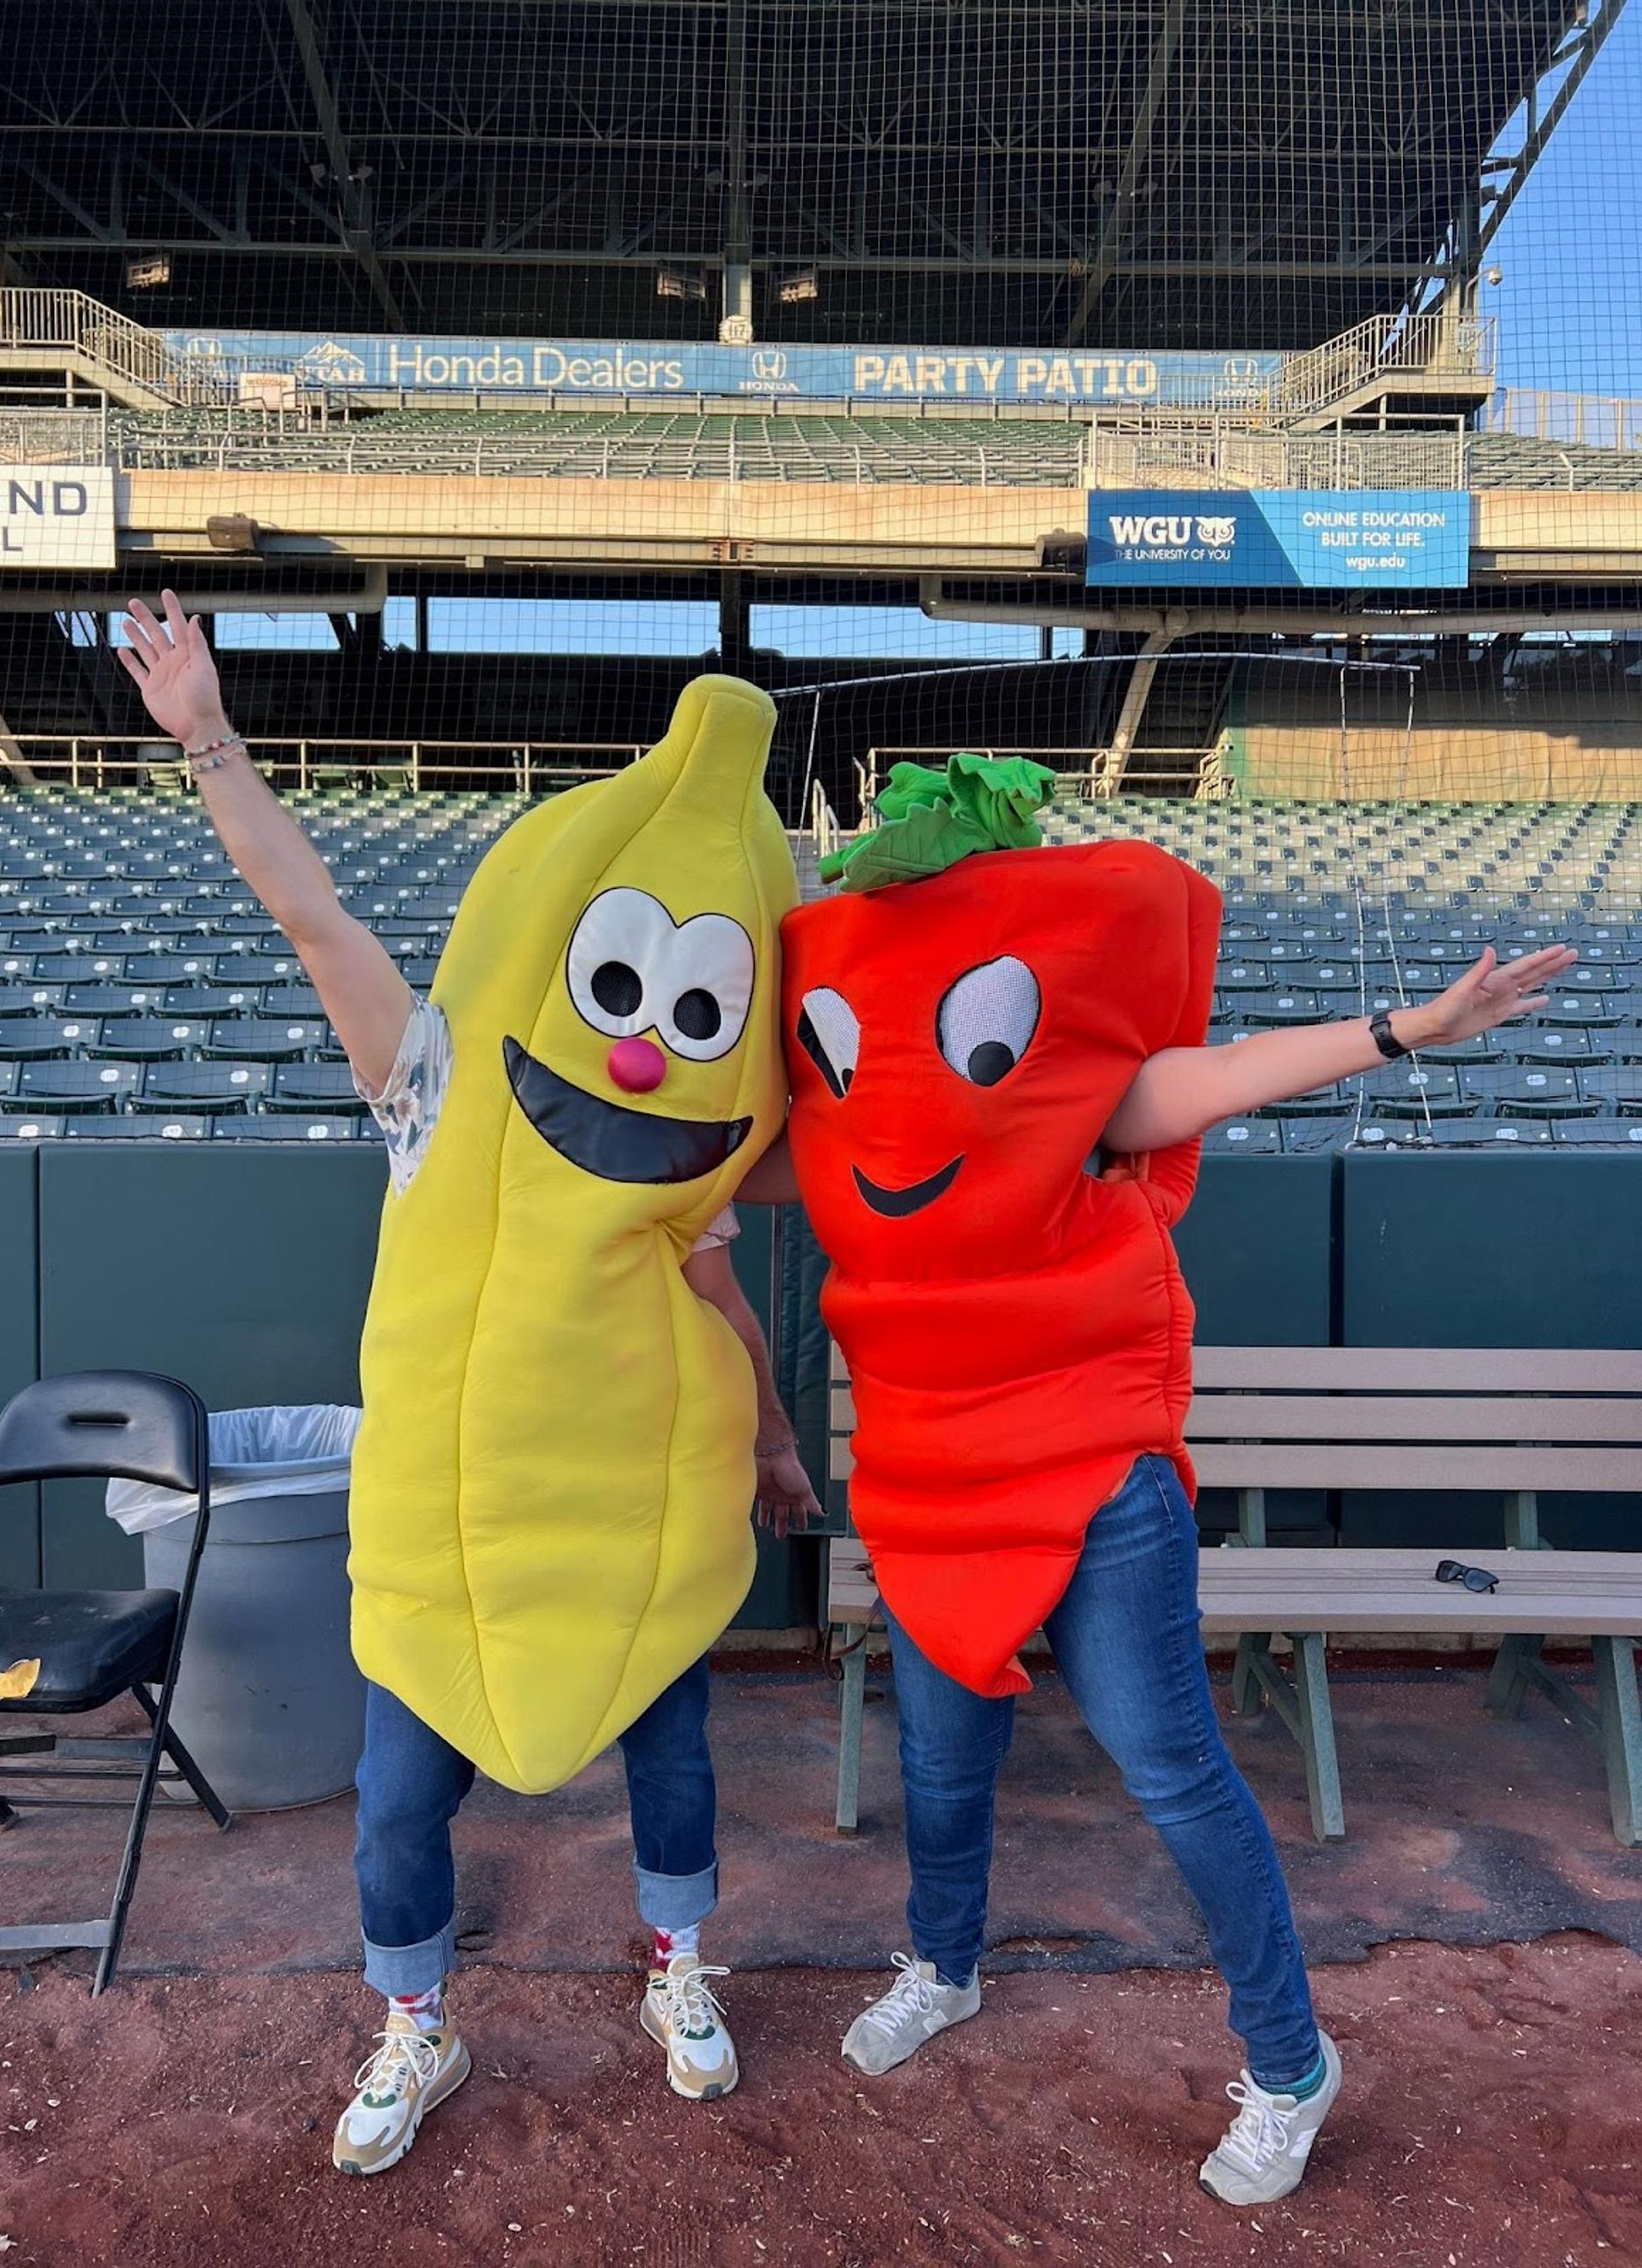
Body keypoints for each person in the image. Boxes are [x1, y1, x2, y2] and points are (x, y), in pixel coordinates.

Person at [743, 753, 1575, 2208]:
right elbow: (712, 1156)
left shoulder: (1083, 1095)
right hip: (929, 1477)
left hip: (1089, 1473)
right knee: (939, 1764)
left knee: (1171, 1770)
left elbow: (1211, 1077)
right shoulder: (842, 1110)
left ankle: (1291, 2063)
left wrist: (1405, 1028)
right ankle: (944, 1964)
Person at [117, 594, 819, 2177]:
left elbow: (736, 1287)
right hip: (449, 1537)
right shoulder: (430, 1081)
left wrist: (773, 1444)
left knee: (678, 1765)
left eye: (689, 1020)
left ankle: (675, 1972)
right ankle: (415, 2024)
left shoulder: (689, 1170)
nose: (643, 1057)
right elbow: (313, 919)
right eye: (625, 1000)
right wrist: (209, 743)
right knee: (394, 1805)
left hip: (627, 1527)